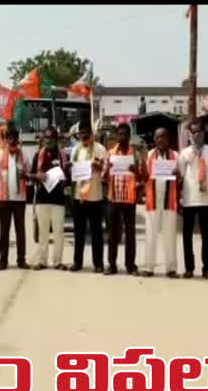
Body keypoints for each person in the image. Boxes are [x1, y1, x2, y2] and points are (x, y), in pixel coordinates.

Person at [178, 119, 208, 279]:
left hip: (205, 200)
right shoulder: (185, 153)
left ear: (204, 133)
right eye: (194, 132)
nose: (197, 135)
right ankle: (189, 268)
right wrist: (178, 200)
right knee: (187, 236)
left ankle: (206, 268)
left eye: (199, 132)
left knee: (206, 236)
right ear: (190, 134)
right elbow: (180, 177)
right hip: (189, 200)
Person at [103, 123, 143, 276]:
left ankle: (130, 265)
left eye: (126, 134)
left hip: (130, 198)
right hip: (114, 198)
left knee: (130, 233)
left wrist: (136, 171)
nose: (123, 137)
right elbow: (104, 178)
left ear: (129, 136)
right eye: (120, 134)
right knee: (112, 233)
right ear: (117, 136)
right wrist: (108, 169)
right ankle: (112, 265)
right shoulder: (110, 153)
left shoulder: (135, 154)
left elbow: (142, 177)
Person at [141, 127, 180, 278]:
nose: (160, 140)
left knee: (170, 235)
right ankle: (149, 267)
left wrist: (178, 174)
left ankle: (171, 268)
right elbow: (144, 176)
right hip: (153, 200)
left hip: (169, 200)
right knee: (150, 234)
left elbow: (181, 178)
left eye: (163, 137)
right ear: (154, 140)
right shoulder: (149, 155)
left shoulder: (175, 156)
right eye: (157, 137)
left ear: (168, 139)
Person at [69, 119, 107, 272]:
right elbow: (73, 170)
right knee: (79, 232)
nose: (84, 136)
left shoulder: (100, 149)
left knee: (96, 233)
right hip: (79, 198)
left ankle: (98, 264)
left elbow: (105, 171)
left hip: (95, 197)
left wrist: (97, 166)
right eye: (81, 133)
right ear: (78, 135)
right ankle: (77, 263)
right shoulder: (75, 150)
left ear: (91, 134)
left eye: (86, 133)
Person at [30, 125, 69, 270]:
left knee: (58, 232)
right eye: (46, 137)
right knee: (43, 232)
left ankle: (57, 261)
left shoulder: (62, 156)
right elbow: (30, 175)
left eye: (51, 137)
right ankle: (42, 261)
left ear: (56, 139)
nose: (48, 140)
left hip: (58, 199)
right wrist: (37, 176)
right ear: (43, 138)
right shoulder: (38, 155)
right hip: (42, 199)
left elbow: (69, 175)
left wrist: (66, 178)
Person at [0, 122, 29, 270]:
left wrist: (26, 175)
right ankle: (3, 260)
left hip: (20, 199)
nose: (12, 140)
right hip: (4, 199)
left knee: (21, 231)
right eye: (9, 138)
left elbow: (29, 173)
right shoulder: (0, 154)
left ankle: (21, 260)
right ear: (6, 140)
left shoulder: (24, 154)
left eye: (14, 138)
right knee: (4, 231)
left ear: (17, 139)